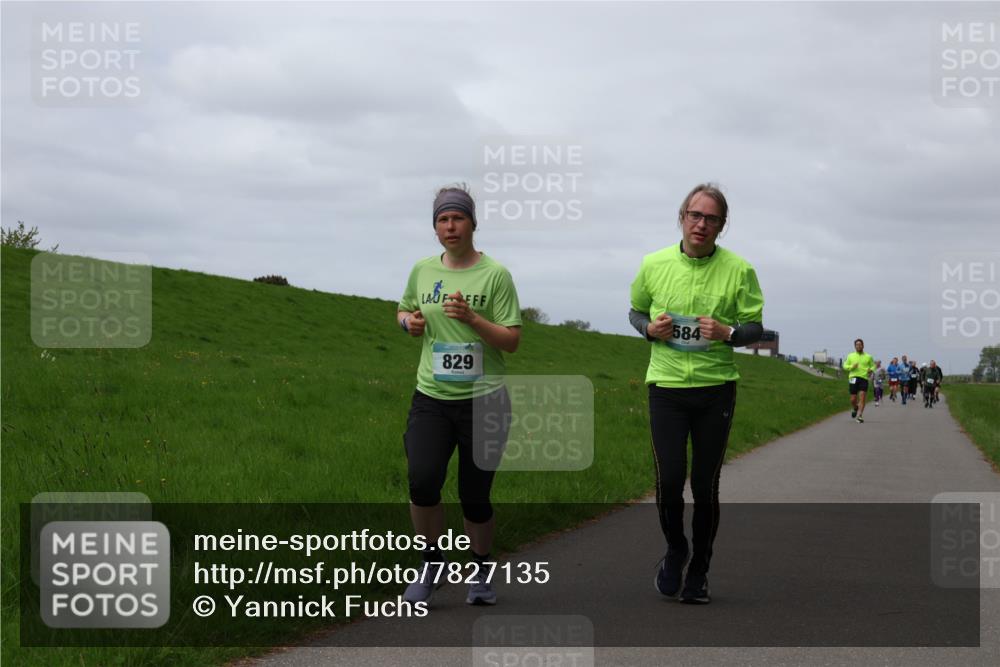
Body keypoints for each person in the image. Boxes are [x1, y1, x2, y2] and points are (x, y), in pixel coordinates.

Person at [629, 183, 764, 605]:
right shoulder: (653, 264)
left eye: (711, 218)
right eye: (695, 215)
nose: (701, 224)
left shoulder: (740, 270)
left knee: (704, 485)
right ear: (682, 216)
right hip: (666, 388)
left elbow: (755, 327)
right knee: (669, 480)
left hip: (715, 390)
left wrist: (729, 333)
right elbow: (635, 311)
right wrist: (649, 329)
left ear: (722, 227)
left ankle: (699, 571)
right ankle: (676, 549)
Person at [396, 185, 522, 606]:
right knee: (423, 481)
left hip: (484, 400)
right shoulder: (422, 271)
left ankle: (481, 567)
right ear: (435, 228)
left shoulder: (495, 275)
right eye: (442, 220)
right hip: (431, 397)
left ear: (472, 223)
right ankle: (432, 563)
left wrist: (472, 317)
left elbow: (511, 341)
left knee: (474, 494)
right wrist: (408, 323)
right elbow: (405, 310)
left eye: (458, 218)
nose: (450, 226)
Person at [843, 339, 876, 423]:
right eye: (857, 345)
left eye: (860, 344)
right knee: (853, 399)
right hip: (853, 378)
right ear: (855, 346)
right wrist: (852, 367)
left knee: (862, 397)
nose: (858, 346)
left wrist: (870, 370)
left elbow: (873, 366)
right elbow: (845, 366)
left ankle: (860, 416)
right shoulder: (850, 356)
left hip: (864, 378)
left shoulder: (868, 356)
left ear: (863, 346)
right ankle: (855, 407)